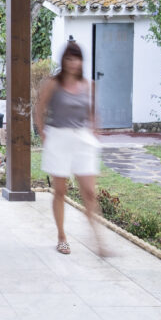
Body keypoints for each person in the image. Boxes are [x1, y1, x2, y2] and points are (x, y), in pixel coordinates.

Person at [34, 41, 106, 255]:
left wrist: (94, 129)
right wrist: (42, 132)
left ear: (82, 61)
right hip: (58, 138)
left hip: (82, 140)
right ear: (63, 61)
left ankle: (99, 240)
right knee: (60, 191)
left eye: (77, 58)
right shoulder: (52, 84)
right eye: (69, 58)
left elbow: (93, 111)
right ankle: (62, 237)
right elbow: (40, 108)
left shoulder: (89, 84)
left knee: (90, 192)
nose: (73, 63)